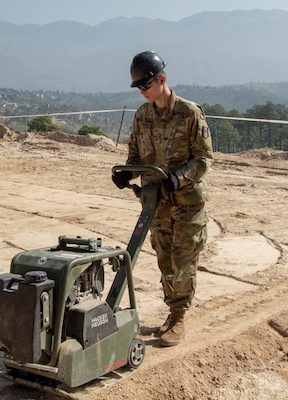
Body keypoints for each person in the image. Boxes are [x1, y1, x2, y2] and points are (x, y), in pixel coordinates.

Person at [112, 51, 213, 347]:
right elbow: (135, 153)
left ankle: (179, 318)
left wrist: (178, 178)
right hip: (156, 204)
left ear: (162, 80)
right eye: (139, 88)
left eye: (147, 86)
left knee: (183, 263)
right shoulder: (142, 116)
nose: (143, 92)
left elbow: (204, 159)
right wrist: (126, 172)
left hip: (186, 204)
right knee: (165, 262)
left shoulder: (189, 113)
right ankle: (172, 313)